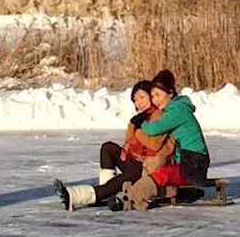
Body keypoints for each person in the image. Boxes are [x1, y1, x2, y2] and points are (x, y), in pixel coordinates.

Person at [55, 80, 163, 210]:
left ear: (151, 96)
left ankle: (76, 195)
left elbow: (154, 144)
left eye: (142, 97)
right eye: (135, 100)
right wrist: (133, 125)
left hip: (147, 166)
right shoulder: (139, 118)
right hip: (133, 160)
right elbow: (130, 140)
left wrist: (139, 128)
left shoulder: (160, 116)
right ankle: (105, 194)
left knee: (128, 173)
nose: (139, 103)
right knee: (108, 148)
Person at [117, 68, 210, 211]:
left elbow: (153, 129)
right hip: (187, 160)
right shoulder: (175, 108)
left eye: (158, 95)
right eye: (153, 96)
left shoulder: (177, 110)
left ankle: (131, 197)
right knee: (160, 171)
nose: (155, 100)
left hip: (194, 163)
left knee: (163, 174)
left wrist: (140, 122)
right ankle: (134, 194)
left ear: (170, 93)